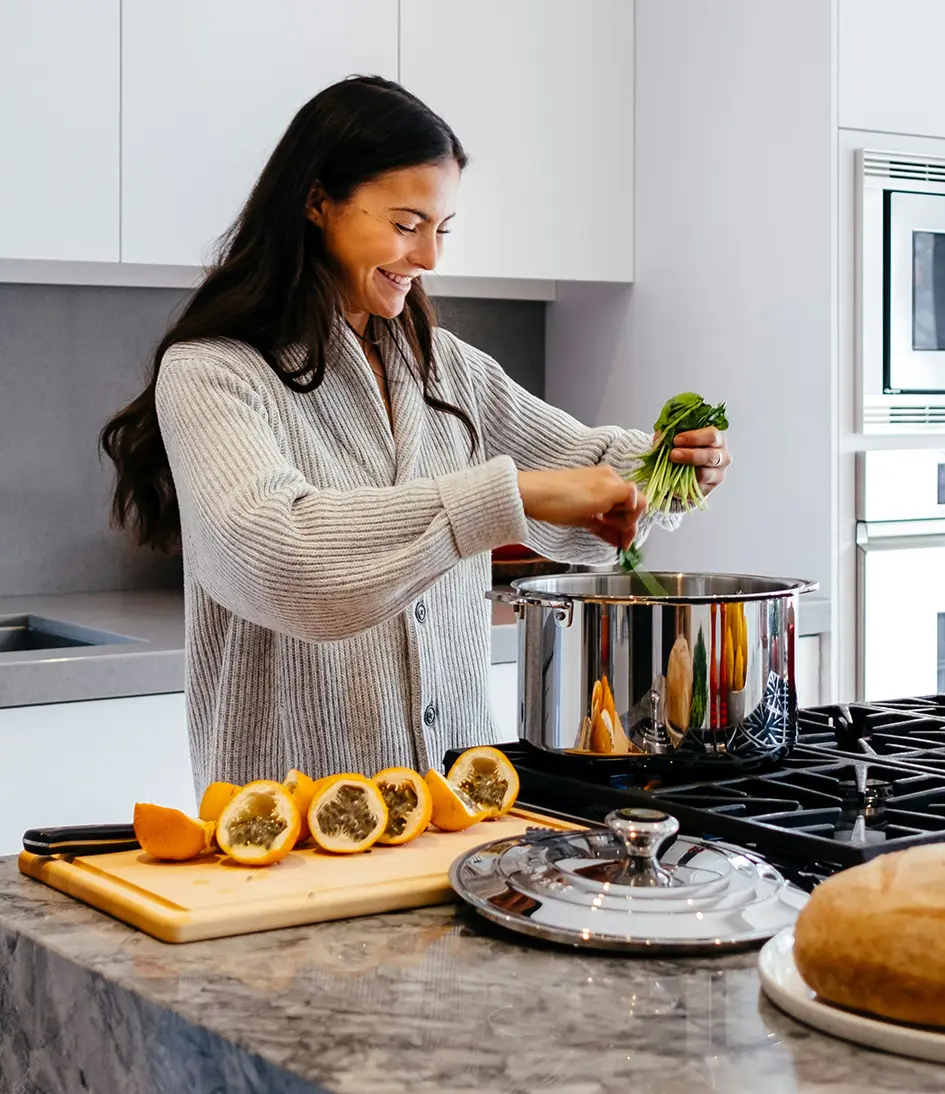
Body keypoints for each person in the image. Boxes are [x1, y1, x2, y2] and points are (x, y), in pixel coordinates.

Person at [99, 76, 729, 794]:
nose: (430, 257)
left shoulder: (445, 366)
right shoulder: (213, 372)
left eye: (442, 228)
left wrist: (670, 467)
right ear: (315, 203)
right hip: (289, 827)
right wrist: (507, 496)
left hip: (457, 810)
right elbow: (282, 557)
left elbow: (584, 468)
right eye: (406, 224)